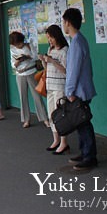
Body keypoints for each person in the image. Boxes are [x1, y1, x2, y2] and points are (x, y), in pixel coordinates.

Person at [62, 8, 98, 171]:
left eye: (63, 22)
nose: (63, 25)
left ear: (68, 22)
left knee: (83, 123)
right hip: (83, 88)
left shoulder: (76, 42)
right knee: (81, 122)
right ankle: (85, 152)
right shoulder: (79, 40)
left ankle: (89, 156)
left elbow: (73, 70)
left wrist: (69, 91)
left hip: (78, 91)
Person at [39, 24, 70, 154]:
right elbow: (47, 68)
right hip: (50, 85)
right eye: (48, 38)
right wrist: (44, 61)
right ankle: (55, 140)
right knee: (52, 114)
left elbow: (66, 70)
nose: (49, 40)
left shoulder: (65, 50)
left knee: (61, 116)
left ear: (57, 36)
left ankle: (64, 142)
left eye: (51, 37)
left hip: (60, 87)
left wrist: (51, 61)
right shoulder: (50, 49)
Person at [9, 31, 49, 128]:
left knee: (37, 96)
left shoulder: (29, 46)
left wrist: (28, 57)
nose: (19, 45)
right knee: (23, 97)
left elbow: (35, 57)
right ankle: (26, 119)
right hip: (20, 73)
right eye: (16, 44)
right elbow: (13, 65)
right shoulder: (12, 50)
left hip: (31, 71)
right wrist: (18, 62)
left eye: (20, 43)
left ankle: (45, 119)